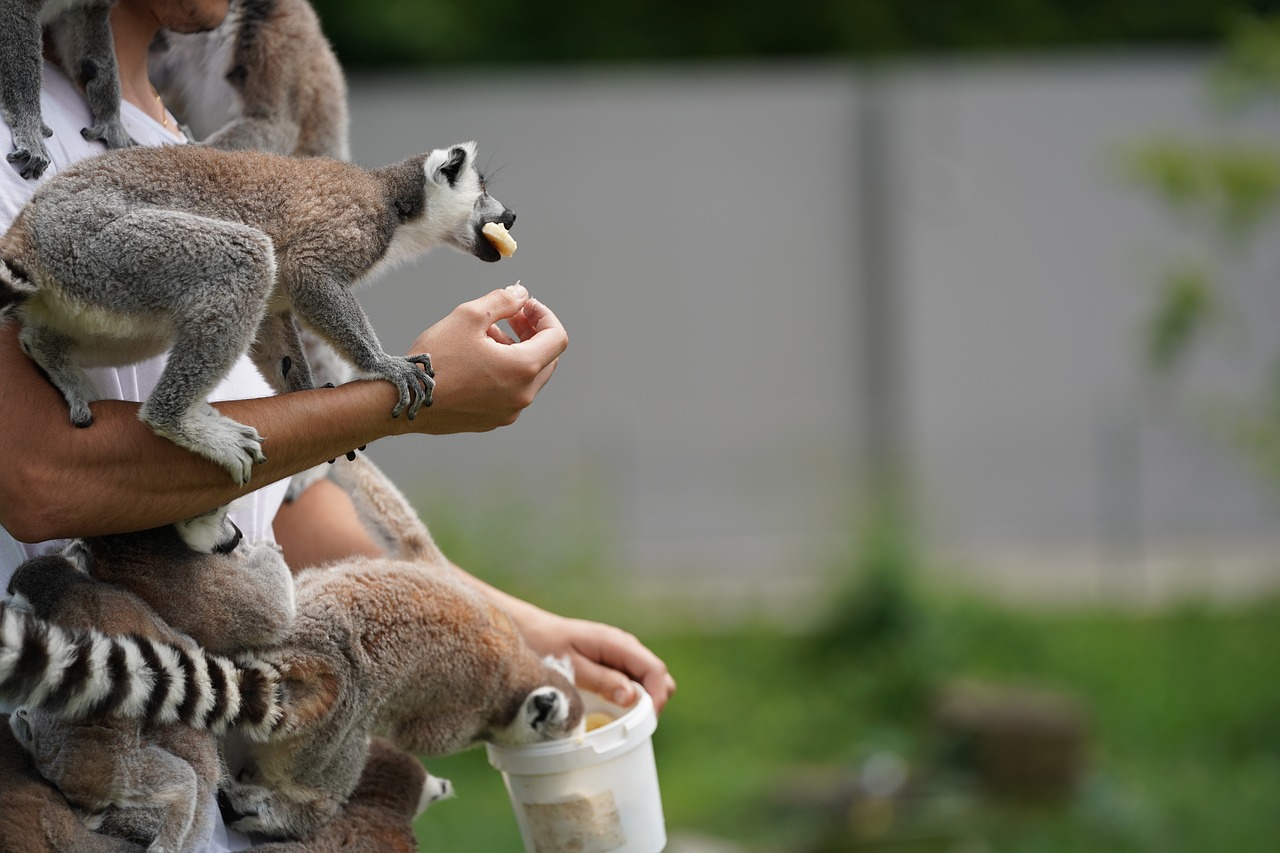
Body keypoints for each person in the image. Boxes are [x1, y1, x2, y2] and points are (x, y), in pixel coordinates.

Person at [0, 0, 675, 849]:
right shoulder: (23, 142)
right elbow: (37, 477)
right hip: (79, 723)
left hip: (196, 753)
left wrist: (522, 637)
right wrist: (402, 395)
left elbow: (284, 503)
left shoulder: (191, 154)